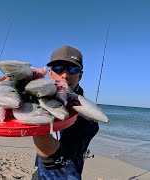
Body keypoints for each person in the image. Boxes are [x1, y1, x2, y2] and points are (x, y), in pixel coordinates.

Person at [33, 46, 99, 179]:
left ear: (80, 75)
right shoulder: (44, 97)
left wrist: (35, 124)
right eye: (58, 68)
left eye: (72, 69)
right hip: (40, 173)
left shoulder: (88, 119)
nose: (64, 74)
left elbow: (53, 158)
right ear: (51, 73)